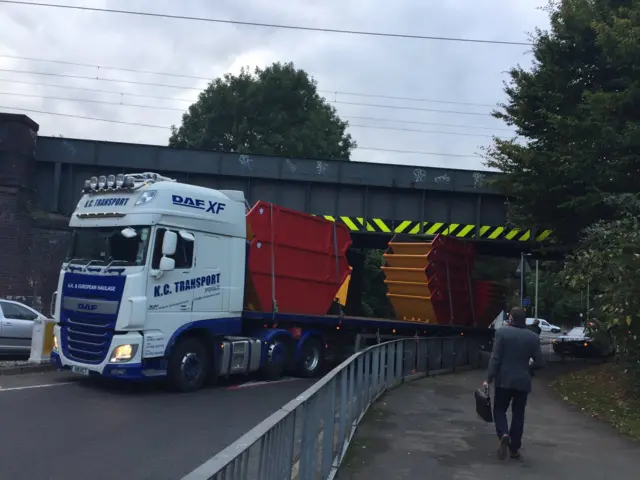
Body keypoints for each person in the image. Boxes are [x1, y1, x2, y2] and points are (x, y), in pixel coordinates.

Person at [482, 306, 545, 460]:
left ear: (511, 318)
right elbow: (541, 362)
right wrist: (529, 369)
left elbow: (495, 358)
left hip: (504, 380)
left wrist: (488, 379)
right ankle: (514, 449)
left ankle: (503, 433)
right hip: (523, 381)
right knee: (518, 414)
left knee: (499, 410)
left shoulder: (502, 333)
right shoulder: (532, 337)